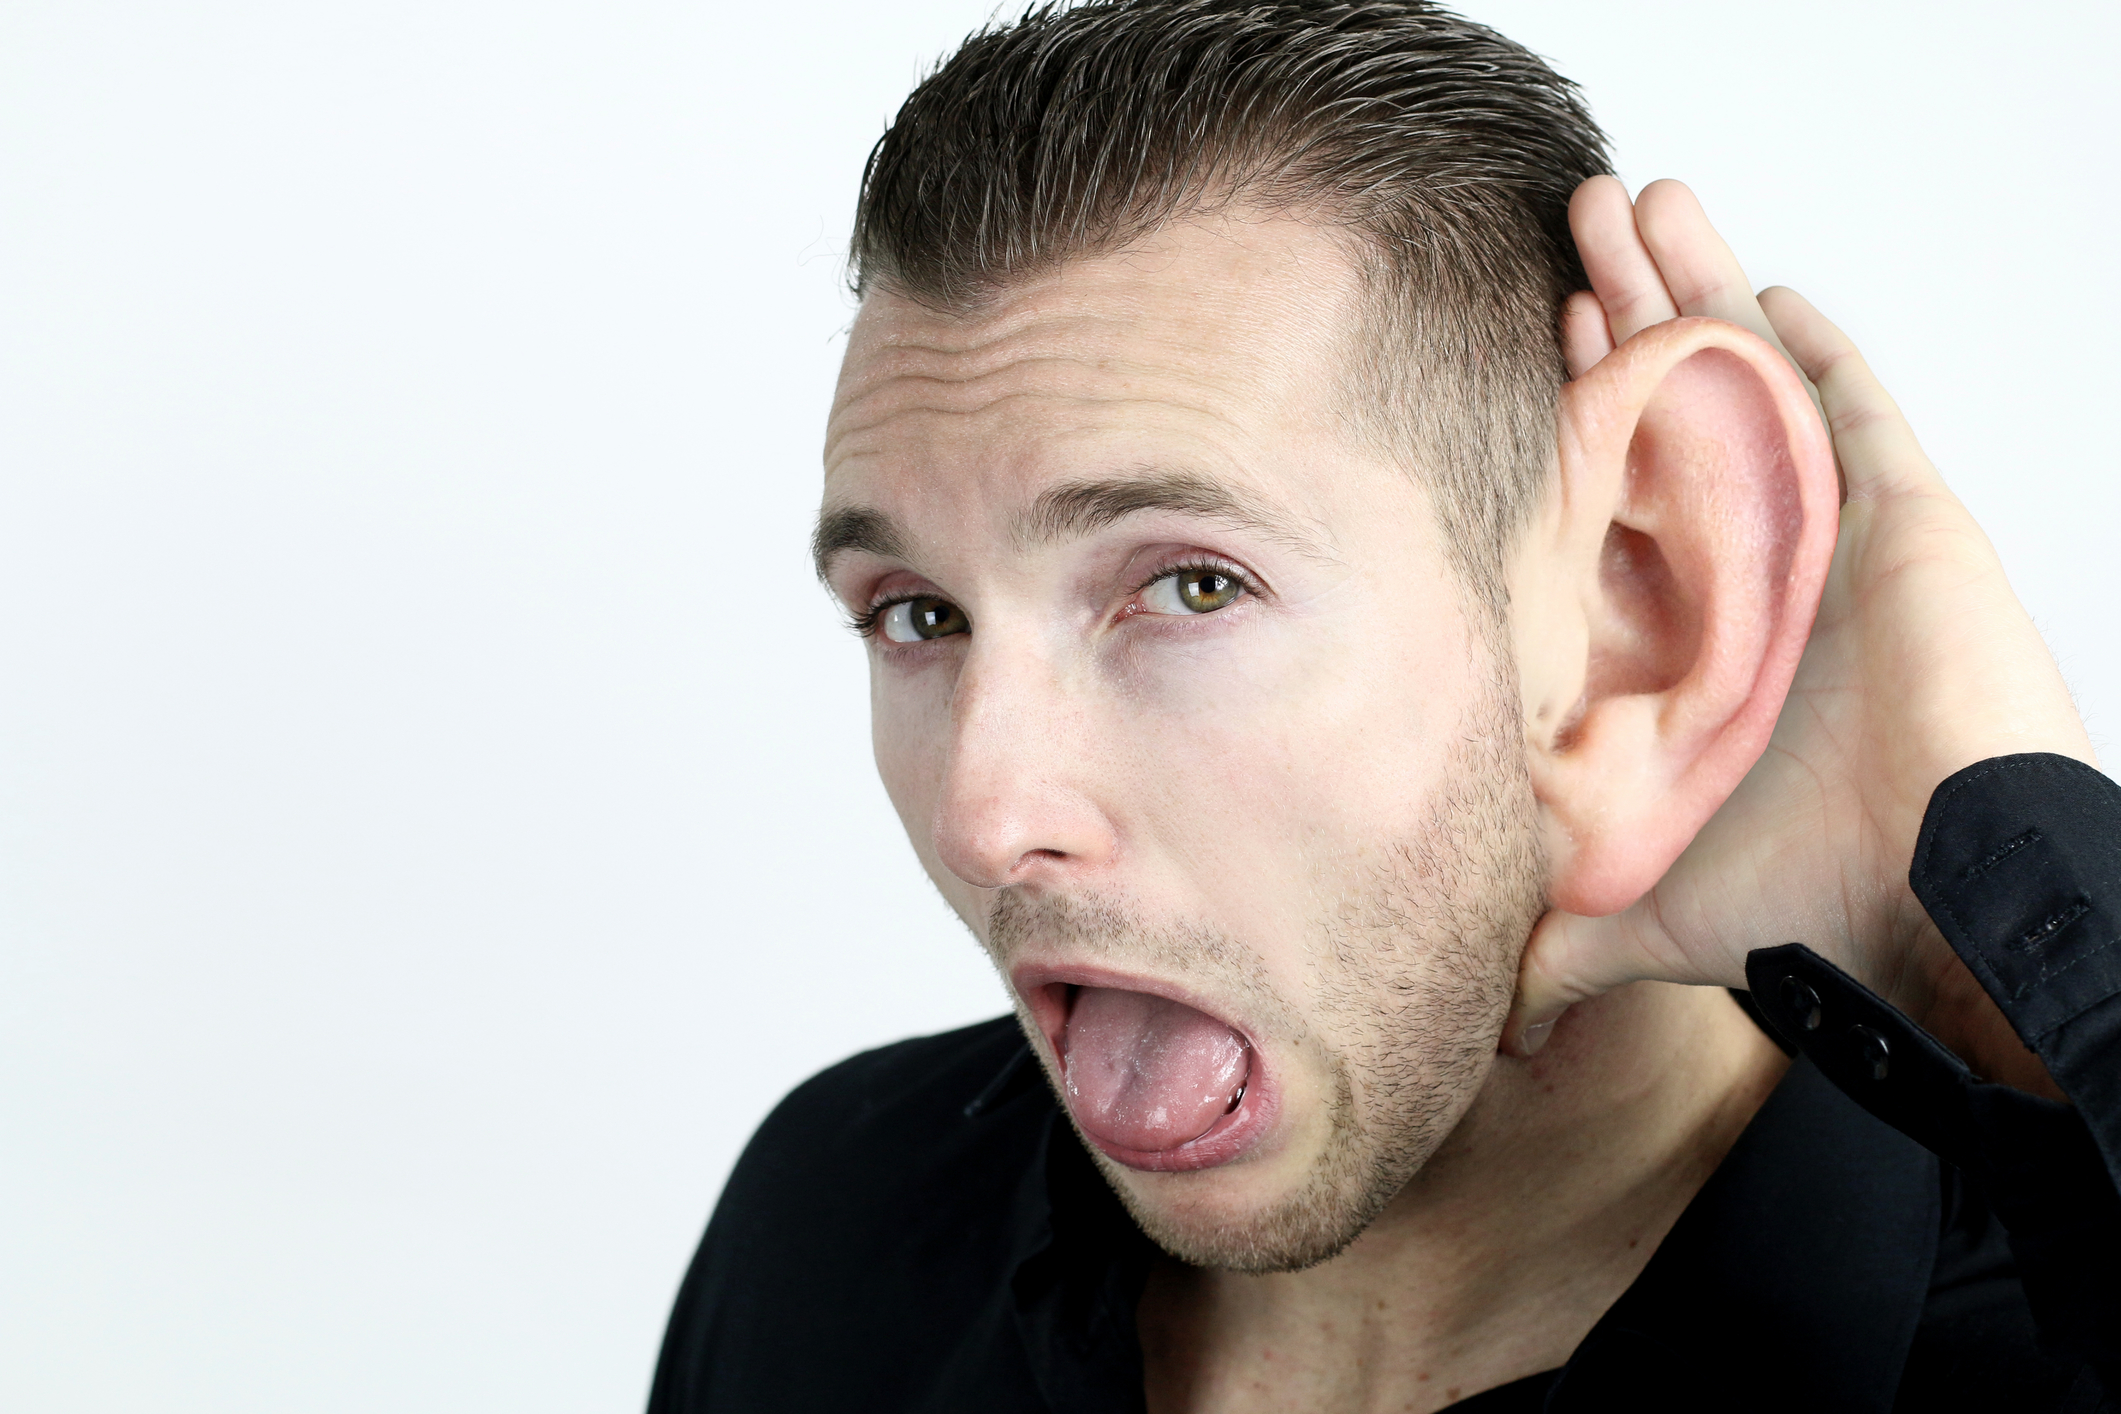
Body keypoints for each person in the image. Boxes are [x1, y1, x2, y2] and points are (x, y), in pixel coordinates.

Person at [650, 2, 2121, 1409]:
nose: (985, 814)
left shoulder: (2041, 1347)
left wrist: (1984, 914)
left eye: (1188, 586)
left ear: (1642, 606)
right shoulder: (833, 1225)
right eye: (918, 614)